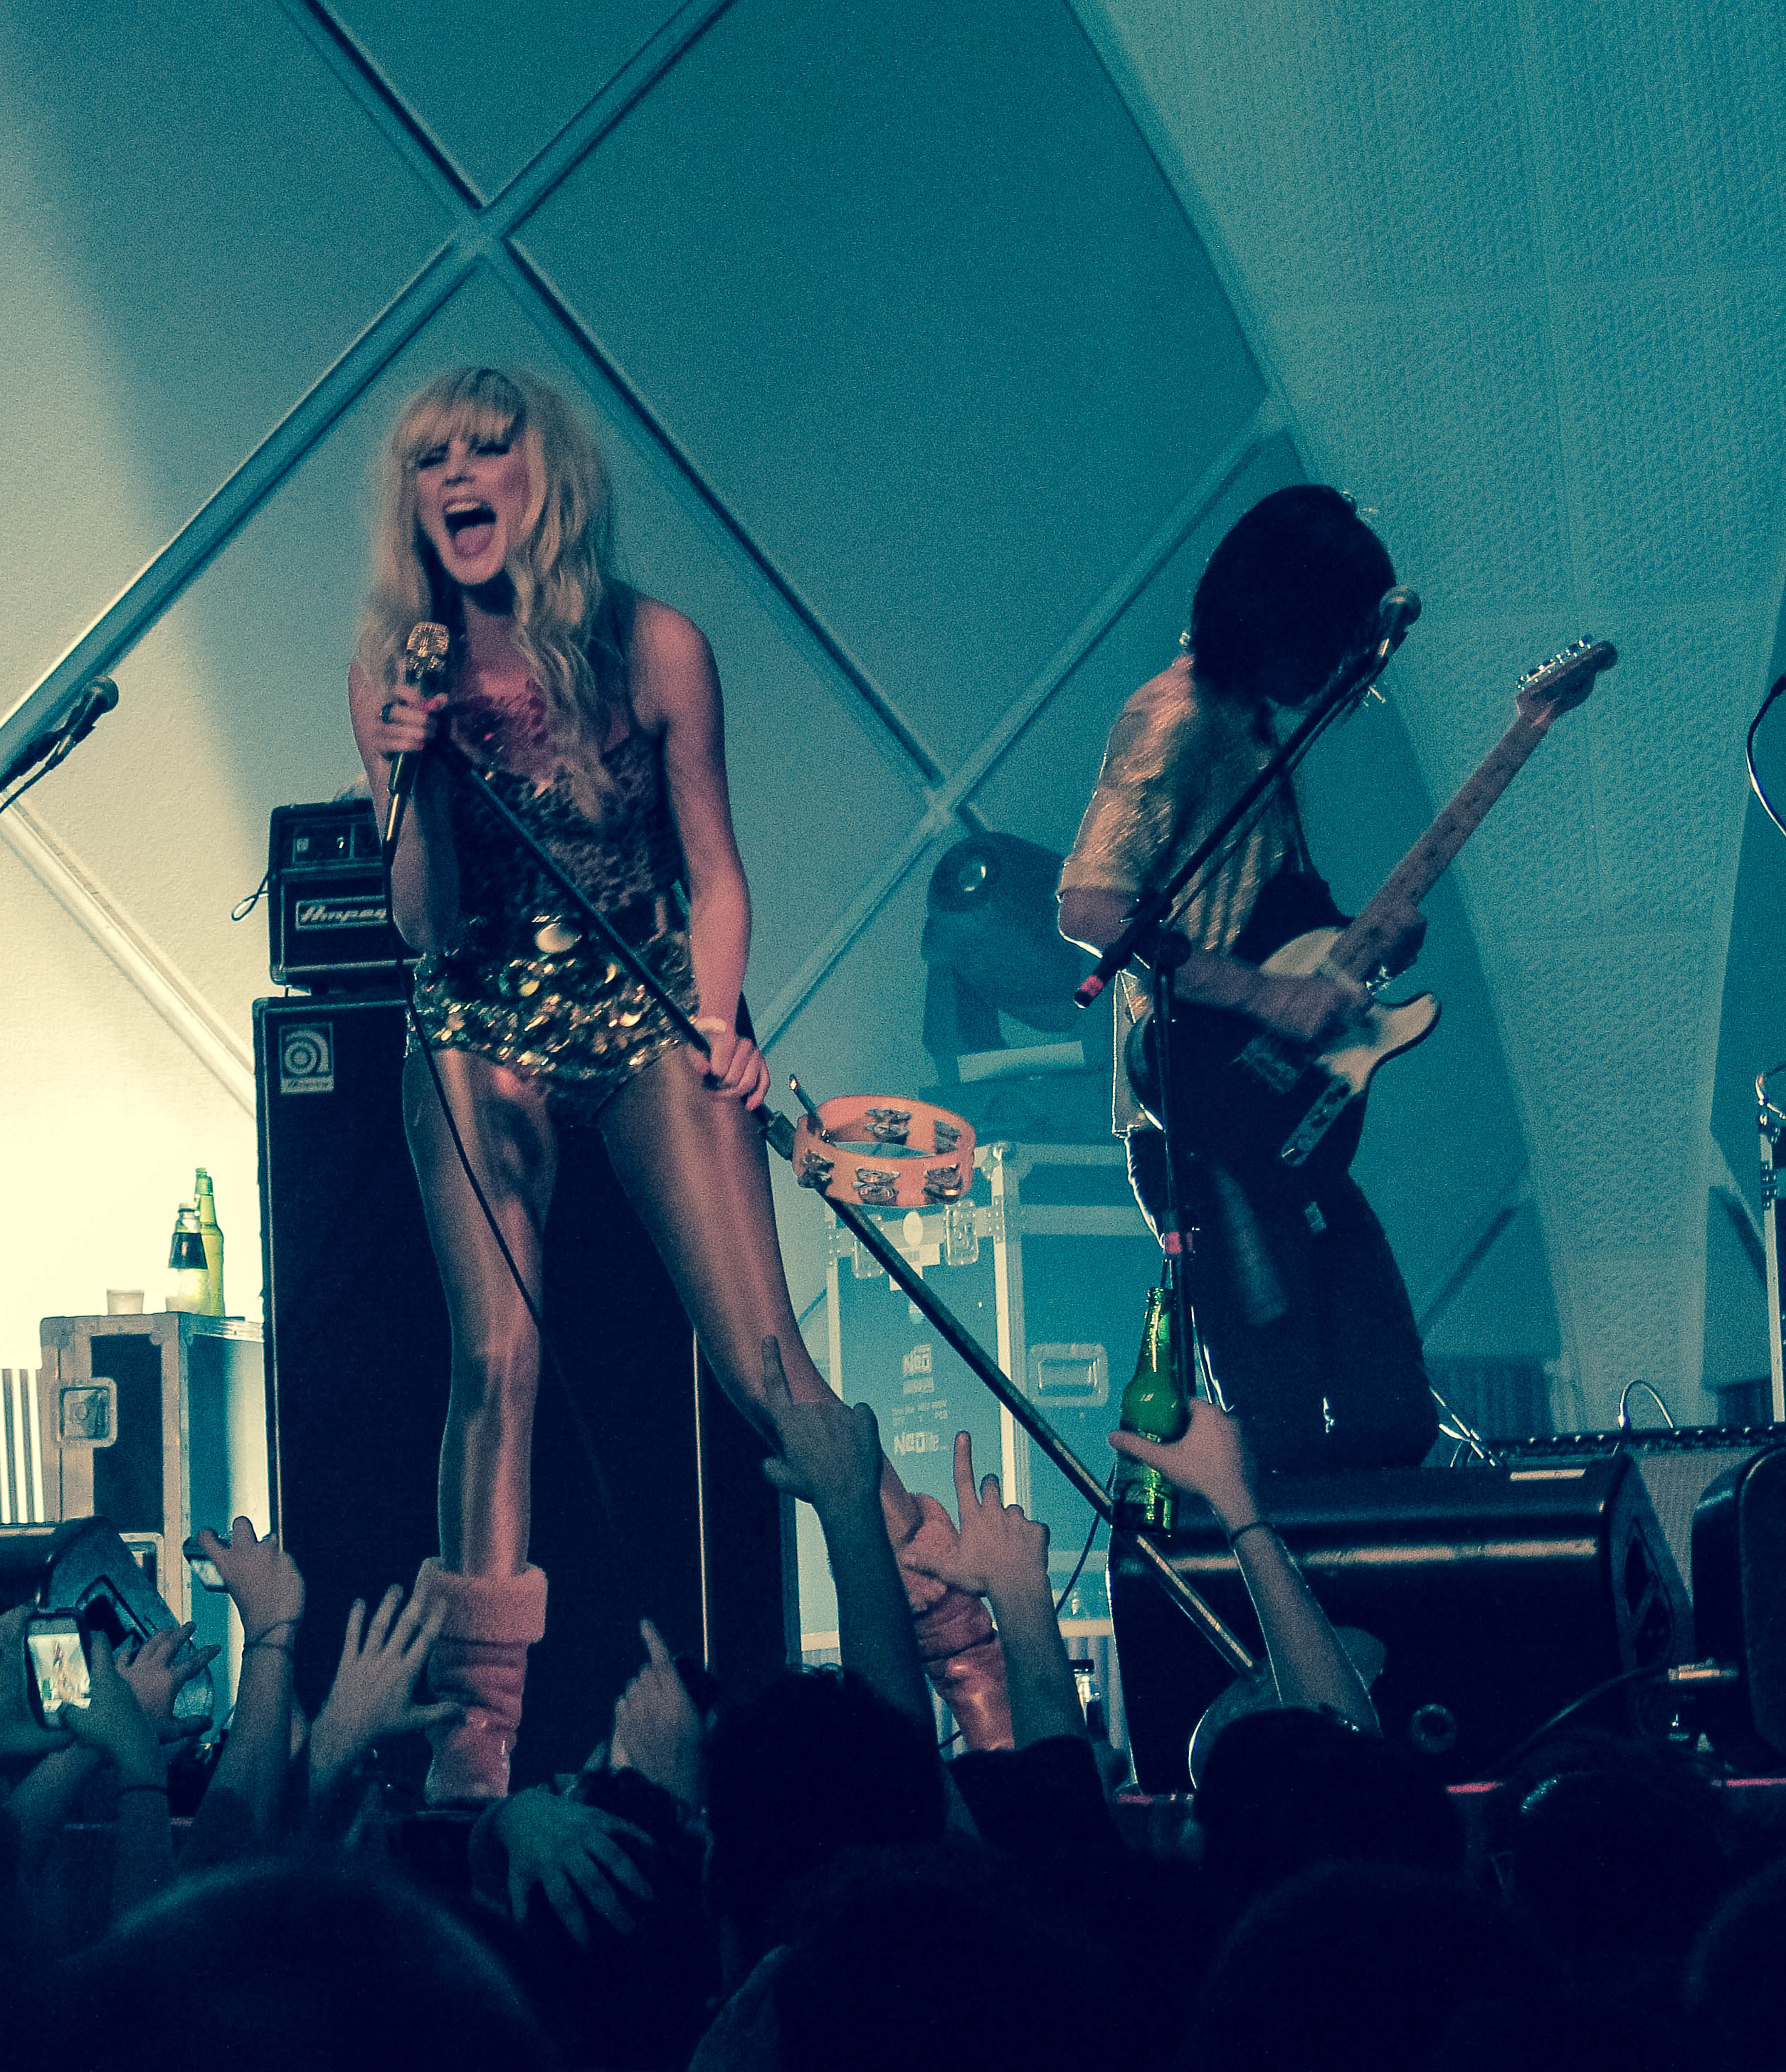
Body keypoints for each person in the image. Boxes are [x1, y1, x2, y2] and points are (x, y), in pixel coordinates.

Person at [345, 365, 1008, 1798]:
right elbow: (421, 924)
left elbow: (714, 870)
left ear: (543, 476)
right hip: (477, 1014)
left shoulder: (655, 647)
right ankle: (473, 1739)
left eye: (483, 449)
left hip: (644, 997)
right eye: (427, 459)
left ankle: (961, 1643)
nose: (453, 476)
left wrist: (716, 1016)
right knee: (493, 1360)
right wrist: (413, 775)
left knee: (764, 1365)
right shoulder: (400, 670)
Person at [1055, 485, 1436, 1475]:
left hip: (1275, 1108)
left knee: (1394, 1414)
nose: (1334, 663)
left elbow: (1260, 911)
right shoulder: (1172, 718)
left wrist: (1359, 941)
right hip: (1203, 1122)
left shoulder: (1251, 722)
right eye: (1329, 635)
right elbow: (1090, 906)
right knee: (1282, 1424)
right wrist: (1270, 997)